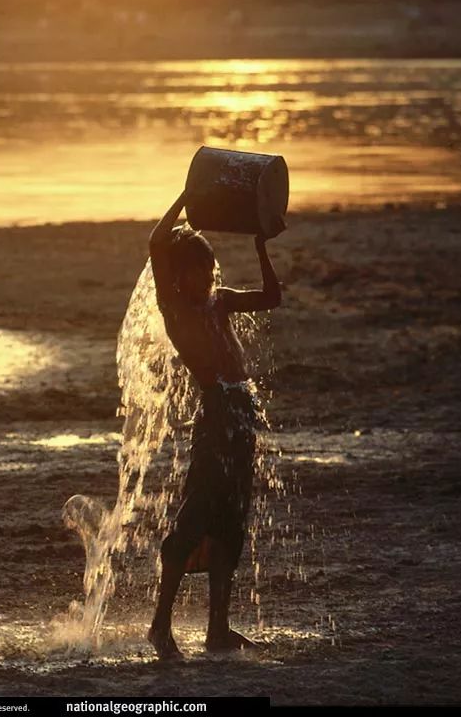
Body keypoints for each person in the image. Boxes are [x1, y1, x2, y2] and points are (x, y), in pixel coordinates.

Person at [146, 190, 282, 659]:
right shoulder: (175, 309)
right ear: (177, 277)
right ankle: (160, 626)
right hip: (214, 416)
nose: (205, 277)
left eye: (209, 269)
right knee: (195, 517)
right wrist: (189, 194)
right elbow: (157, 240)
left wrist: (261, 245)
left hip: (241, 416)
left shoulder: (220, 301)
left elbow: (272, 297)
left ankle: (218, 630)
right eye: (196, 271)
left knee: (231, 523)